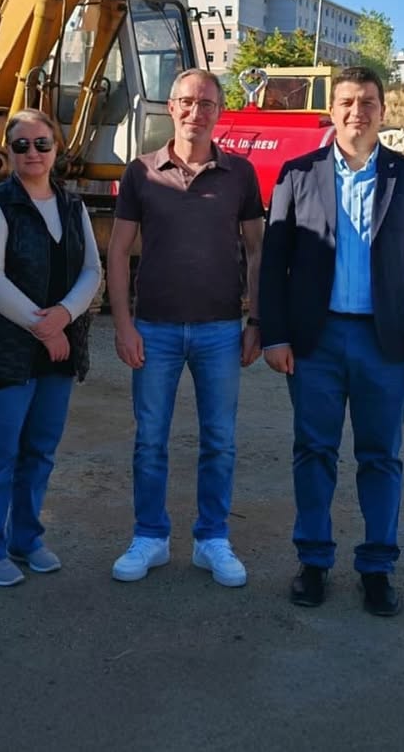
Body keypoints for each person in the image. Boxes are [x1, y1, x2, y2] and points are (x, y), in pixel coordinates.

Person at [259, 66, 404, 616]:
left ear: (383, 111)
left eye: (367, 102)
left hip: (383, 344)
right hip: (314, 342)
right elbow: (274, 264)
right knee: (314, 451)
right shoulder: (298, 174)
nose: (356, 111)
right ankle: (313, 561)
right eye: (346, 101)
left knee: (380, 457)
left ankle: (377, 567)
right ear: (332, 109)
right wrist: (275, 334)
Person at [107, 68, 264, 588]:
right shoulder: (140, 173)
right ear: (171, 107)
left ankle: (211, 538)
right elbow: (118, 251)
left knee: (219, 440)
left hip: (220, 329)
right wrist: (123, 324)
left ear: (220, 112)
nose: (197, 112)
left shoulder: (240, 174)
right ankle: (150, 536)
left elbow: (257, 250)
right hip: (154, 329)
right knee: (150, 439)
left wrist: (256, 320)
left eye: (207, 104)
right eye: (188, 102)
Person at [0, 109, 101, 587]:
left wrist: (64, 314)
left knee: (39, 450)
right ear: (8, 151)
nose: (33, 153)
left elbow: (92, 270)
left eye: (42, 143)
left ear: (57, 148)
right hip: (5, 350)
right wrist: (45, 326)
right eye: (21, 145)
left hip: (58, 349)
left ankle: (25, 538)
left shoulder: (73, 205)